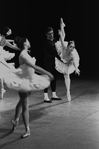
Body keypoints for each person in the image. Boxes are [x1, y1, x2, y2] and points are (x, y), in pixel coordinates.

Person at [2, 36, 53, 138]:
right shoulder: (23, 55)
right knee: (25, 106)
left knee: (21, 102)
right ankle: (27, 130)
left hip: (30, 79)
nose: (30, 41)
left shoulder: (25, 53)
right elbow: (35, 67)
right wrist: (48, 73)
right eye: (28, 40)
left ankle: (16, 120)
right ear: (25, 43)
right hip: (24, 81)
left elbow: (31, 68)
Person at [55, 18, 80, 101]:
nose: (72, 48)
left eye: (73, 47)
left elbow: (73, 62)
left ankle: (68, 92)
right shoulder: (64, 48)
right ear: (68, 46)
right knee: (61, 38)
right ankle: (62, 26)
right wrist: (59, 33)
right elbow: (62, 39)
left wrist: (76, 69)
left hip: (67, 64)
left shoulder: (72, 55)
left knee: (66, 75)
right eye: (71, 47)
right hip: (62, 57)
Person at [43, 27, 62, 102]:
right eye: (49, 34)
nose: (51, 35)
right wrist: (62, 59)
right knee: (48, 78)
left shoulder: (53, 41)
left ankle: (53, 94)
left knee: (54, 78)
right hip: (48, 61)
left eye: (52, 33)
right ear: (46, 34)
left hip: (54, 61)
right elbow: (54, 52)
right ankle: (45, 96)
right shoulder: (47, 43)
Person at [0, 27, 19, 99]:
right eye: (10, 31)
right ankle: (2, 89)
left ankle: (2, 89)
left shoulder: (4, 40)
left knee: (1, 73)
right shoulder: (4, 40)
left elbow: (13, 47)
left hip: (0, 56)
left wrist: (23, 49)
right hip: (0, 55)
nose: (11, 32)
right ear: (7, 32)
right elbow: (13, 47)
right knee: (1, 74)